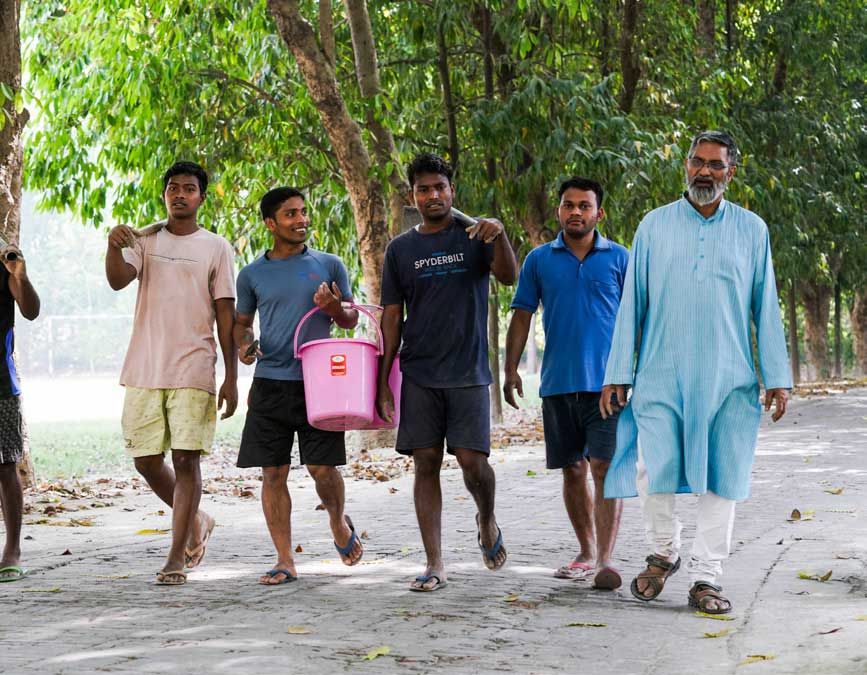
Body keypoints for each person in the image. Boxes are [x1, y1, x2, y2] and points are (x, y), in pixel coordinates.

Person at [600, 131, 791, 614]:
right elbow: (632, 305)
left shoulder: (752, 229)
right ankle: (664, 552)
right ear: (686, 165)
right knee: (651, 469)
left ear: (731, 171)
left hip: (730, 377)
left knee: (723, 476)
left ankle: (707, 576)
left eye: (716, 165)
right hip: (662, 371)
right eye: (698, 162)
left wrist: (777, 376)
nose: (705, 171)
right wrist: (619, 370)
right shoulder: (654, 226)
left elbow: (764, 306)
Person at [377, 152, 518, 592]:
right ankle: (435, 561)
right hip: (419, 371)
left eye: (440, 187)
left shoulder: (475, 235)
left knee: (474, 464)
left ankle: (487, 517)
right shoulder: (401, 249)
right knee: (425, 463)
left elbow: (509, 277)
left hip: (469, 370)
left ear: (451, 190)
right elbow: (391, 315)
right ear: (413, 195)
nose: (432, 195)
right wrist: (384, 378)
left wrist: (500, 234)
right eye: (423, 189)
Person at [106, 161, 237, 586]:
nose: (180, 194)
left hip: (195, 365)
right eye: (173, 188)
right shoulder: (145, 239)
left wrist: (232, 376)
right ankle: (197, 520)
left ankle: (176, 555)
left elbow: (225, 313)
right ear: (164, 194)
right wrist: (113, 246)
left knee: (185, 459)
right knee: (146, 461)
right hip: (145, 365)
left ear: (201, 197)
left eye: (189, 188)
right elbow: (117, 280)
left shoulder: (216, 246)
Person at [234, 187, 363, 585]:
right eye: (291, 214)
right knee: (273, 472)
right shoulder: (252, 274)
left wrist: (332, 309)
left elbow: (351, 321)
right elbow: (242, 323)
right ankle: (284, 558)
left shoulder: (330, 264)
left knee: (322, 468)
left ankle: (338, 523)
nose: (302, 219)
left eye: (304, 212)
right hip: (270, 383)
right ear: (271, 224)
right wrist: (244, 346)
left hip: (319, 384)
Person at [504, 177, 628, 590]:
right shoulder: (539, 260)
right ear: (558, 211)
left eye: (584, 206)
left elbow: (637, 321)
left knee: (605, 467)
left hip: (610, 385)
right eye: (568, 205)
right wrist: (510, 369)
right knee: (573, 469)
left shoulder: (620, 259)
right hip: (558, 383)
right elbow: (522, 314)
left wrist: (633, 373)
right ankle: (586, 551)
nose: (576, 212)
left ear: (599, 213)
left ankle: (606, 560)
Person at [0, 241, 40, 583]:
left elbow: (30, 310)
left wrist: (20, 275)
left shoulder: (5, 259)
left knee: (5, 464)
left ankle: (12, 549)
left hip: (0, 382)